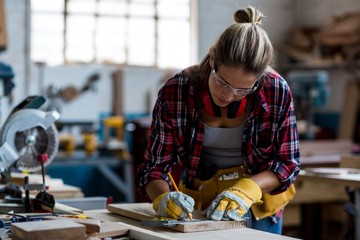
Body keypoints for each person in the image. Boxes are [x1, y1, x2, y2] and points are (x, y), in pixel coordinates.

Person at [135, 6, 300, 234]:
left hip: (258, 203)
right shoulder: (177, 90)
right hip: (198, 203)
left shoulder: (276, 90)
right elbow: (155, 167)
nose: (229, 96)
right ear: (213, 58)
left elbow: (287, 164)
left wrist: (247, 189)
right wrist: (163, 197)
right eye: (222, 83)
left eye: (242, 90)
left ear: (260, 79)